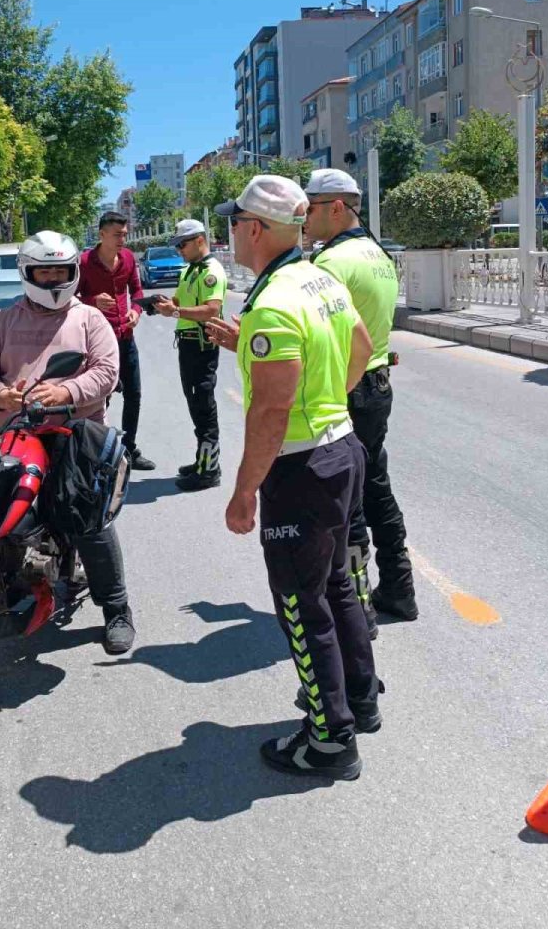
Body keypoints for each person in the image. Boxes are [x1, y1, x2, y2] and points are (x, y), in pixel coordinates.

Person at [206, 174, 379, 781]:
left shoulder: (274, 300)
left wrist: (244, 491)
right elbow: (360, 344)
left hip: (302, 467)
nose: (230, 235)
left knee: (301, 607)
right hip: (343, 448)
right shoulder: (319, 278)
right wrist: (331, 400)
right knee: (336, 586)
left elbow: (272, 409)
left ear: (253, 228)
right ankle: (359, 699)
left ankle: (330, 740)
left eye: (233, 225)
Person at [0, 230, 135, 655]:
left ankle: (117, 610)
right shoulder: (2, 321)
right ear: (28, 274)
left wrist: (66, 393)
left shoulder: (88, 320)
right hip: (11, 434)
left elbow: (106, 373)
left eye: (60, 271)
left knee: (88, 521)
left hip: (72, 435)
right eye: (44, 272)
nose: (52, 279)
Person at [304, 169, 418, 627]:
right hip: (377, 387)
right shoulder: (378, 255)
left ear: (336, 207)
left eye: (310, 208)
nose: (304, 217)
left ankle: (359, 608)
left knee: (343, 500)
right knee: (375, 489)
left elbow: (320, 340)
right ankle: (399, 590)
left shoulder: (329, 265)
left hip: (345, 389)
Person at [155, 218, 228, 491]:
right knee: (195, 406)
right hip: (187, 345)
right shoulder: (190, 270)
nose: (179, 250)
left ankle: (209, 471)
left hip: (202, 346)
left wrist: (174, 312)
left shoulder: (211, 272)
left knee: (204, 408)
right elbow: (179, 301)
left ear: (200, 240)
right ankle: (203, 461)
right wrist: (164, 304)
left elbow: (211, 309)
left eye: (182, 244)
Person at [78, 211, 154, 470]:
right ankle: (97, 453)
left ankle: (129, 449)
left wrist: (136, 310)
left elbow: (138, 291)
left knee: (134, 395)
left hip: (125, 338)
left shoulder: (129, 258)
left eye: (124, 234)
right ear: (101, 235)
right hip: (97, 343)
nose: (123, 239)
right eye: (117, 234)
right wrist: (92, 302)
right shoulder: (85, 262)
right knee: (100, 399)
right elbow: (70, 299)